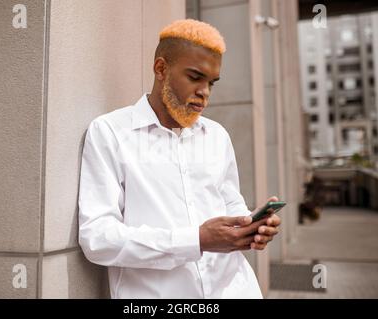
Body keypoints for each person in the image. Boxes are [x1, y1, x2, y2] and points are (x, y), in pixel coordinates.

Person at [78, 19, 281, 299]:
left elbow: (230, 204)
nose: (205, 93)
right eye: (195, 77)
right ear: (161, 68)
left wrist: (250, 227)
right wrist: (196, 240)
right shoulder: (110, 132)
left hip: (236, 290)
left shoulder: (217, 136)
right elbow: (97, 238)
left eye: (211, 83)